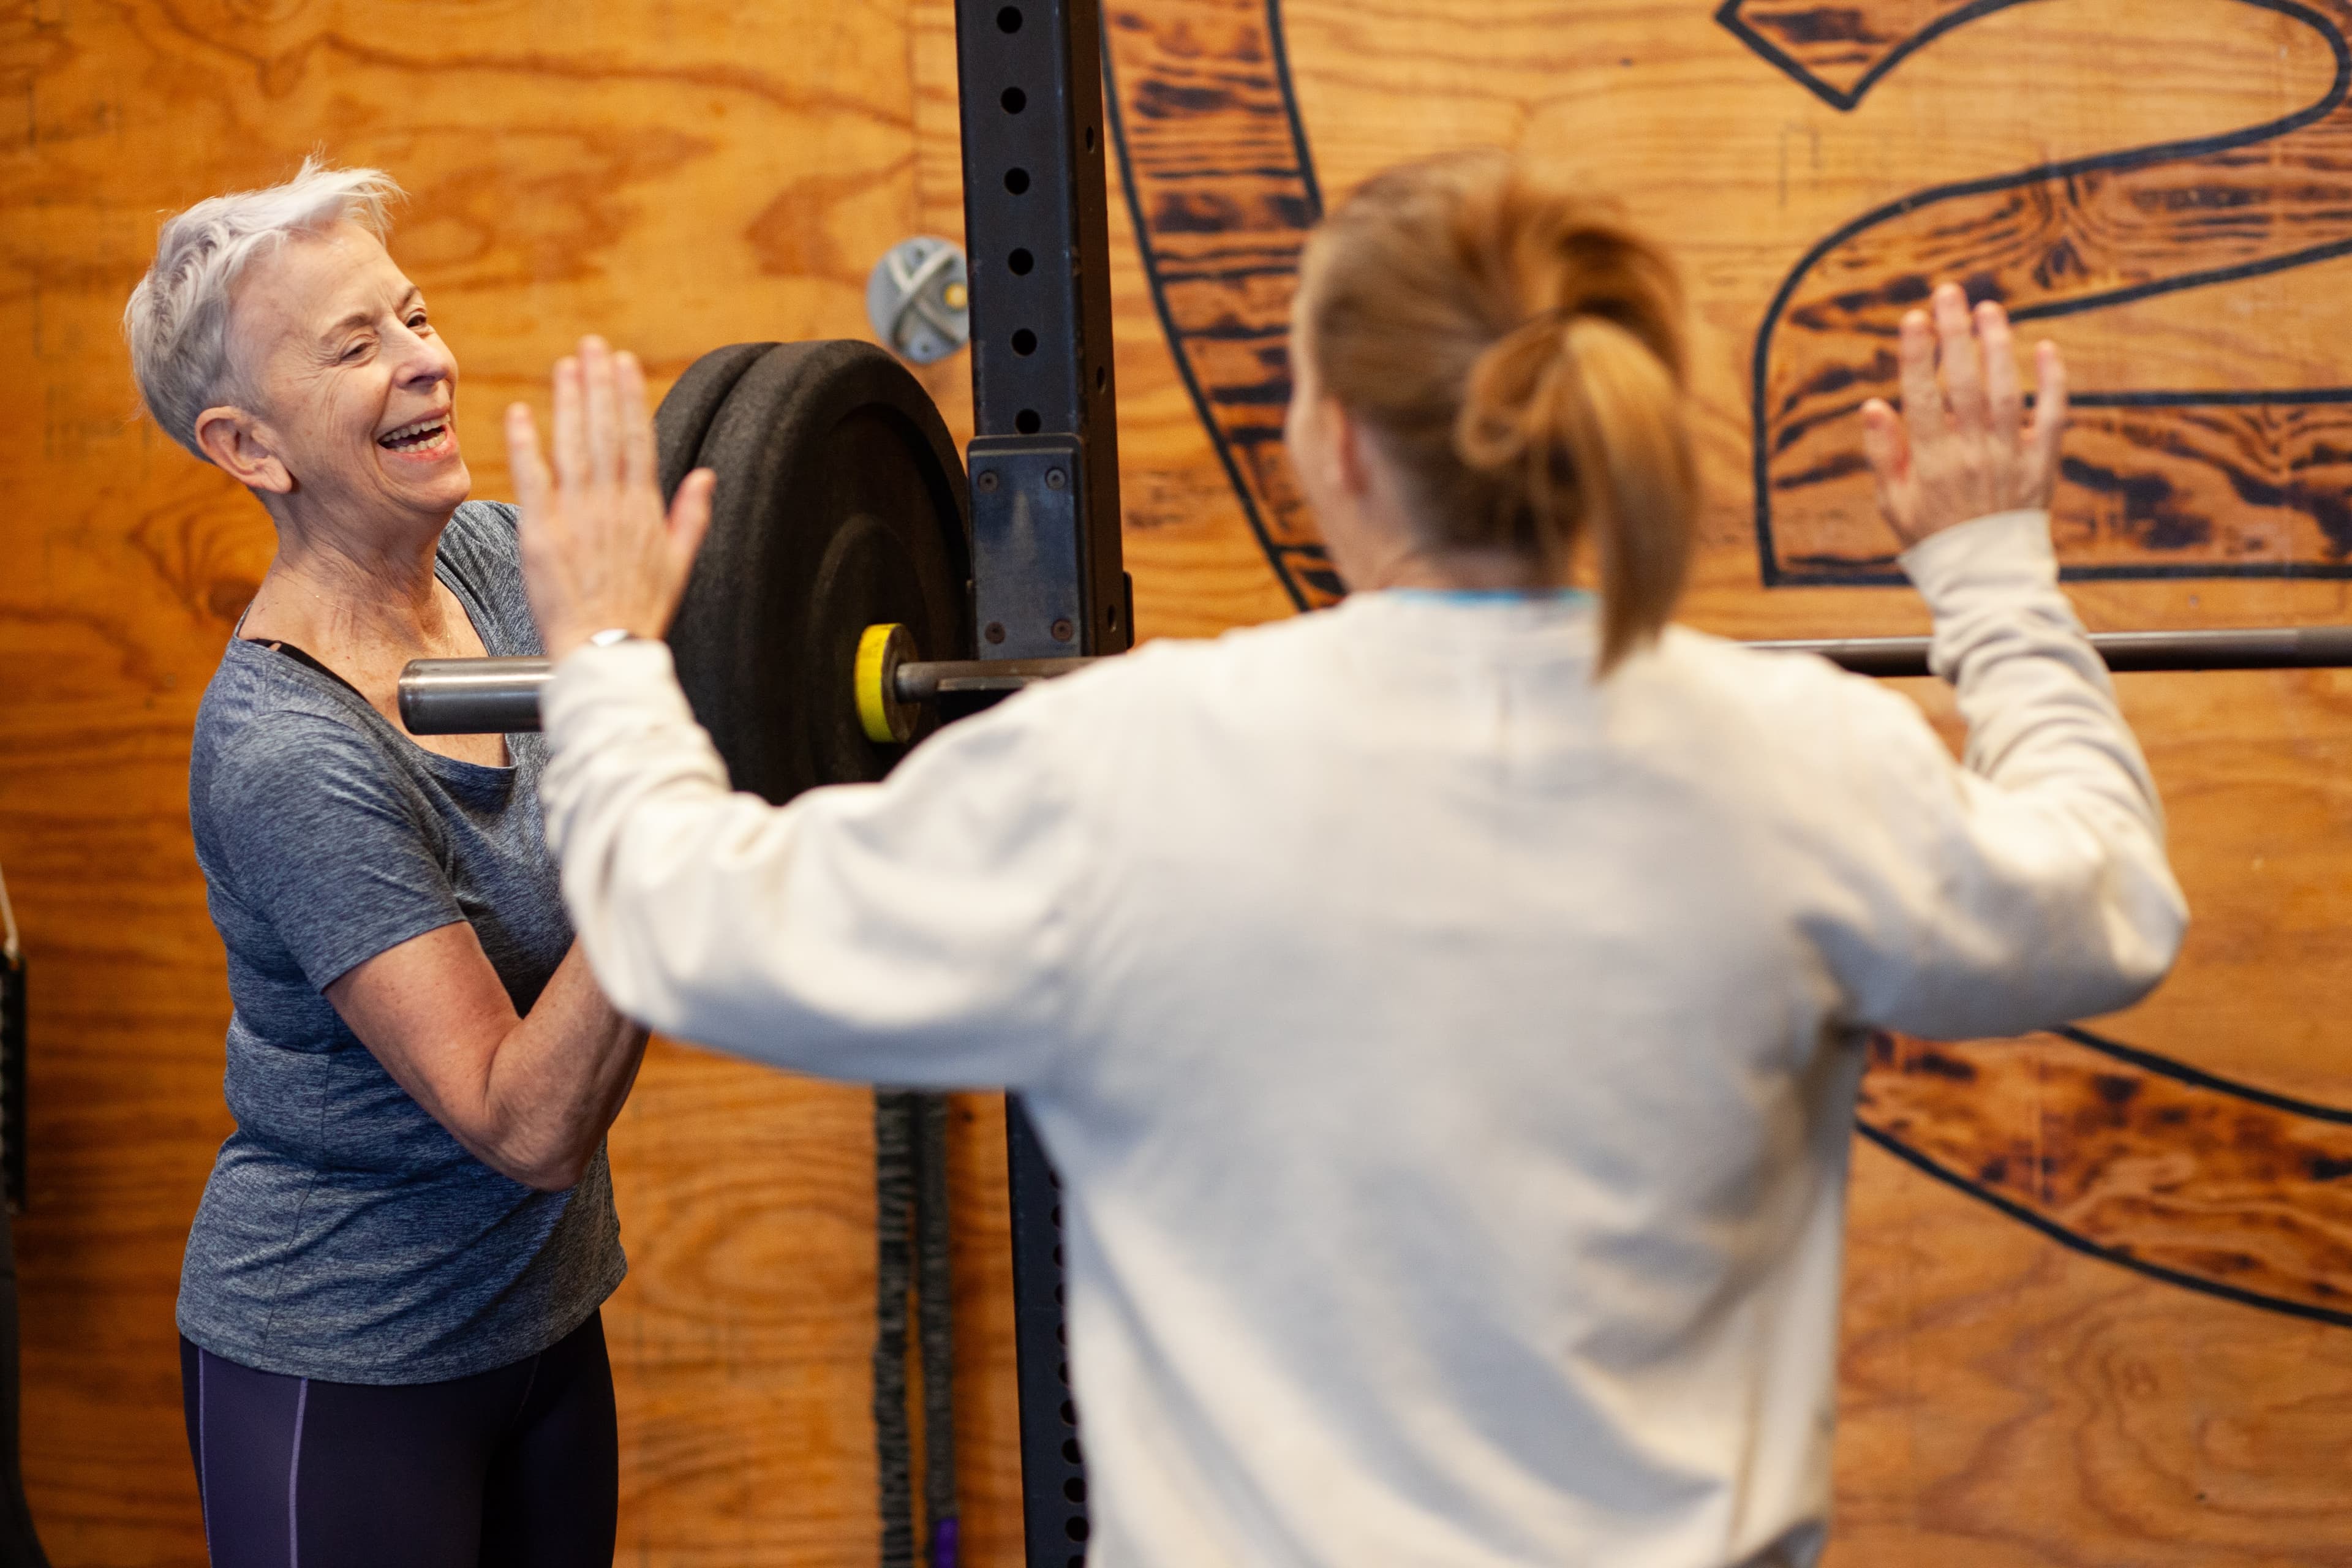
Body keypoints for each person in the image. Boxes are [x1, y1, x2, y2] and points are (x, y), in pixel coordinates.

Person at [512, 151, 2187, 1567]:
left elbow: (682, 919)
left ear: (1338, 443)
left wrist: (603, 654)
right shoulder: (1805, 757)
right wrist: (1990, 575)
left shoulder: (1130, 770)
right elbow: (2109, 897)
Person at [126, 160, 668, 1567]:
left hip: (543, 1322)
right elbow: (523, 1118)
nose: (425, 360)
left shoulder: (495, 567)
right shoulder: (286, 750)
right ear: (249, 447)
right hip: (344, 1363)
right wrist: (669, 849)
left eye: (413, 315)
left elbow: (714, 656)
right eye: (356, 345)